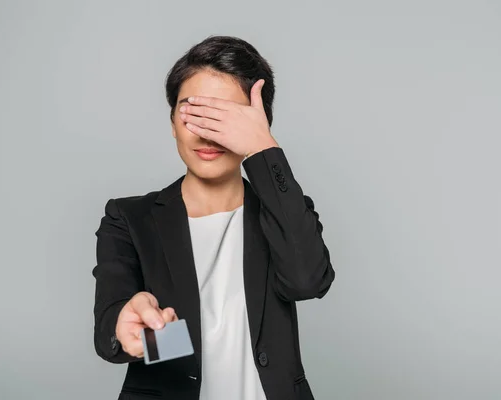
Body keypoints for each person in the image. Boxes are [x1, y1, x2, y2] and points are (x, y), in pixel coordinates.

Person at [92, 35, 335, 400]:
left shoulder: (283, 215)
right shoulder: (130, 218)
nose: (207, 132)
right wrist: (133, 331)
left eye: (225, 117)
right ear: (173, 121)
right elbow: (114, 329)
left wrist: (262, 148)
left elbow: (306, 282)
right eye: (193, 113)